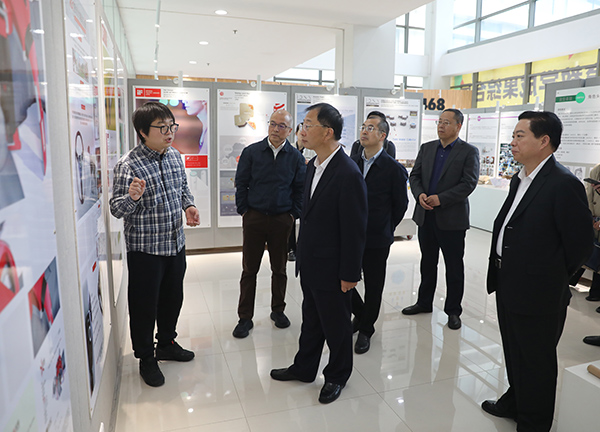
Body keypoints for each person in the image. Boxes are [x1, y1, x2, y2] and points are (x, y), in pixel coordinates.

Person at [481, 111, 592, 431]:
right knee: (515, 351)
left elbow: (581, 244)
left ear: (544, 141)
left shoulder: (563, 183)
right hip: (508, 281)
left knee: (536, 360)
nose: (512, 142)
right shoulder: (521, 178)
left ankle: (534, 422)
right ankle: (516, 401)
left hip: (539, 291)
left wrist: (552, 278)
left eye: (520, 136)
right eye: (513, 135)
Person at [270, 103, 367, 404]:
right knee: (311, 320)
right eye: (303, 124)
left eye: (308, 124)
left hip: (334, 267)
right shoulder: (313, 165)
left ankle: (337, 375)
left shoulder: (348, 173)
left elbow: (355, 229)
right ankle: (305, 367)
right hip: (311, 261)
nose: (302, 130)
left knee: (337, 326)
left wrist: (350, 273)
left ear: (327, 132)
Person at [110, 102, 200, 387]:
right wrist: (132, 198)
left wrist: (189, 206)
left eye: (172, 126)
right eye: (162, 128)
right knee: (144, 306)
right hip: (146, 250)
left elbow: (182, 188)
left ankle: (167, 343)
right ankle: (146, 357)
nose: (169, 132)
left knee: (173, 298)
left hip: (175, 243)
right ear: (142, 132)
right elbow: (116, 209)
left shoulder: (175, 156)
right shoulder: (128, 165)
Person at [401, 108, 479, 330]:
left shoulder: (468, 151)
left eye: (446, 122)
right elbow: (415, 176)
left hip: (452, 219)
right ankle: (424, 302)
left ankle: (453, 311)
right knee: (427, 262)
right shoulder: (427, 148)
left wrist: (441, 199)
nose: (441, 126)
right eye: (439, 121)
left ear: (458, 126)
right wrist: (420, 195)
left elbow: (468, 183)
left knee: (454, 267)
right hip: (426, 215)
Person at [232, 109, 306, 338]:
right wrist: (244, 211)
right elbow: (241, 183)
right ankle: (245, 317)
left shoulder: (295, 157)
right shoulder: (252, 152)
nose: (275, 129)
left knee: (279, 269)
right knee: (249, 270)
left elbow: (300, 189)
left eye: (281, 125)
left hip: (281, 220)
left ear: (290, 130)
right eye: (273, 124)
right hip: (254, 218)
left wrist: (293, 214)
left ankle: (278, 310)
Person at [350, 114, 408, 354]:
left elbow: (400, 205)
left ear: (382, 135)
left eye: (371, 128)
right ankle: (361, 313)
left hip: (376, 237)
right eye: (363, 127)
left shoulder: (393, 169)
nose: (364, 131)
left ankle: (366, 329)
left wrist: (386, 227)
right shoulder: (350, 163)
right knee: (342, 278)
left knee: (374, 285)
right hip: (350, 234)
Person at [288, 123, 316, 262]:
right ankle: (291, 248)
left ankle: (302, 247)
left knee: (306, 219)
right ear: (296, 133)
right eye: (301, 131)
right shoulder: (290, 149)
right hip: (291, 190)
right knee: (291, 220)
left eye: (306, 131)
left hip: (307, 189)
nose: (303, 134)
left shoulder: (312, 150)